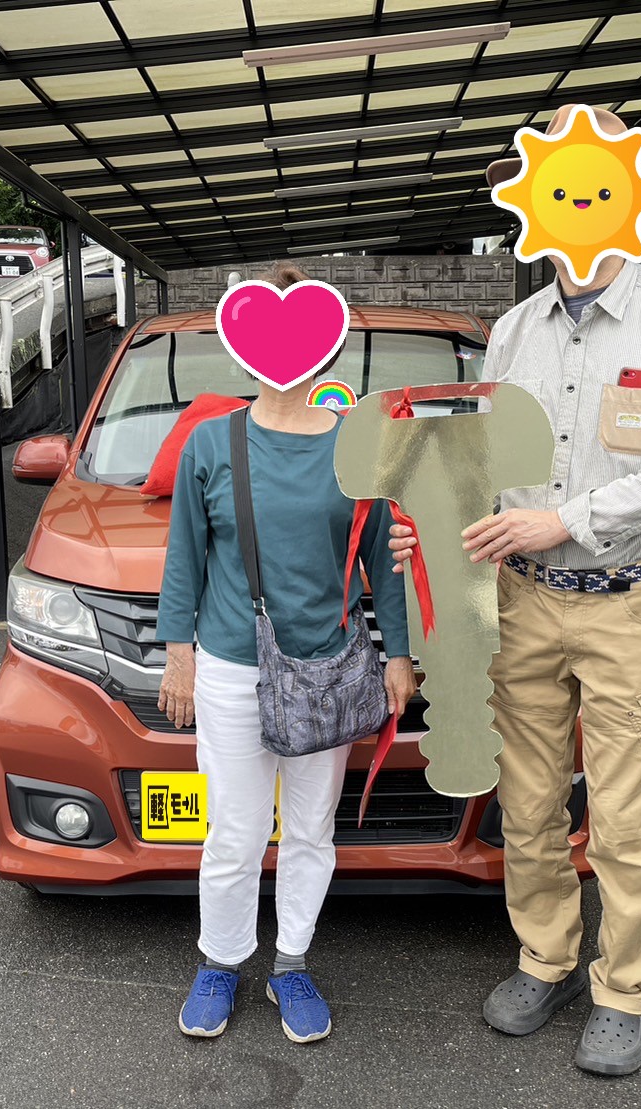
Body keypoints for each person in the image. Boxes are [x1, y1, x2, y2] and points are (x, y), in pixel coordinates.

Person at [391, 105, 641, 1075]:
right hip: (523, 602)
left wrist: (564, 519)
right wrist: (437, 528)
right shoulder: (513, 331)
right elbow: (487, 465)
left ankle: (623, 990)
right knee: (529, 801)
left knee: (624, 815)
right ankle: (546, 958)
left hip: (631, 600)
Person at [156, 262, 416, 1044]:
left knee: (309, 830)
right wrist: (178, 654)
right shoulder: (212, 443)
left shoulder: (356, 449)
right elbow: (184, 556)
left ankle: (291, 962)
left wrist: (397, 654)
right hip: (232, 667)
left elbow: (384, 560)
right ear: (243, 349)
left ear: (324, 347)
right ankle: (221, 960)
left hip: (329, 668)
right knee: (234, 832)